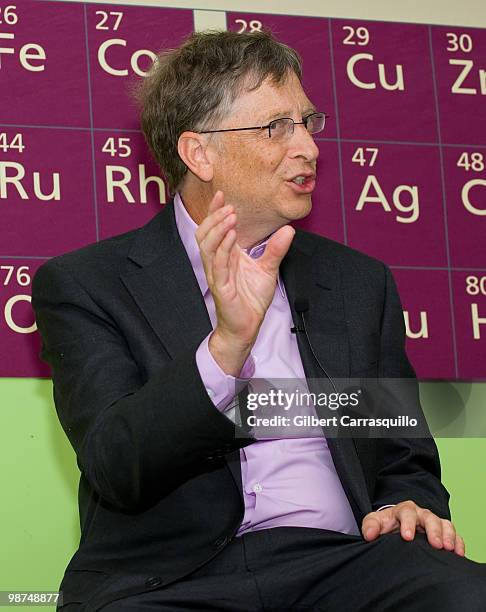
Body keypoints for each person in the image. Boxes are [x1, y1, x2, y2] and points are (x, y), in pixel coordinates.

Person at [32, 30, 486, 611]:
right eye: (276, 127)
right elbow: (117, 465)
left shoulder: (356, 282)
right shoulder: (88, 284)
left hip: (339, 565)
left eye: (307, 122)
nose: (309, 148)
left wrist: (409, 503)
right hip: (173, 582)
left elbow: (402, 456)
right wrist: (225, 348)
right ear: (200, 153)